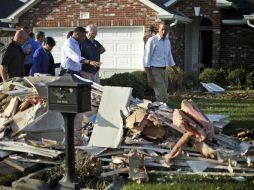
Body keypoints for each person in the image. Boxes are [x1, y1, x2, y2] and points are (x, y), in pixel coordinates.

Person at [143, 22, 177, 103]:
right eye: (162, 29)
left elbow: (169, 56)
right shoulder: (152, 40)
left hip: (164, 71)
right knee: (162, 97)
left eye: (166, 29)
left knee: (164, 95)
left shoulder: (167, 41)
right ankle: (161, 113)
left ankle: (159, 113)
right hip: (154, 71)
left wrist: (175, 70)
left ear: (168, 30)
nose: (164, 31)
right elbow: (146, 59)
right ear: (158, 30)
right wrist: (149, 76)